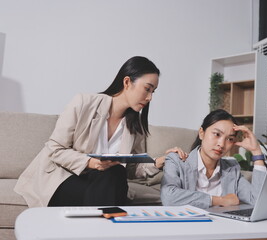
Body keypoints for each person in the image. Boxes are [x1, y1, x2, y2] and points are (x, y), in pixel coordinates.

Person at [14, 56, 187, 207]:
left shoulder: (134, 126)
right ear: (127, 82)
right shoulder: (84, 103)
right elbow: (55, 149)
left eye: (153, 92)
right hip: (64, 178)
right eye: (147, 89)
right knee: (111, 182)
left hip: (102, 183)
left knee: (116, 172)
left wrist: (159, 162)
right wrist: (92, 163)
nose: (150, 98)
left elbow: (131, 169)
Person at [161, 109, 267, 209]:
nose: (221, 144)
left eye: (230, 139)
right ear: (202, 133)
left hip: (222, 226)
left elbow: (257, 201)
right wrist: (219, 200)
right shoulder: (177, 161)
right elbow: (168, 198)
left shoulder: (232, 168)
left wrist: (256, 151)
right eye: (217, 134)